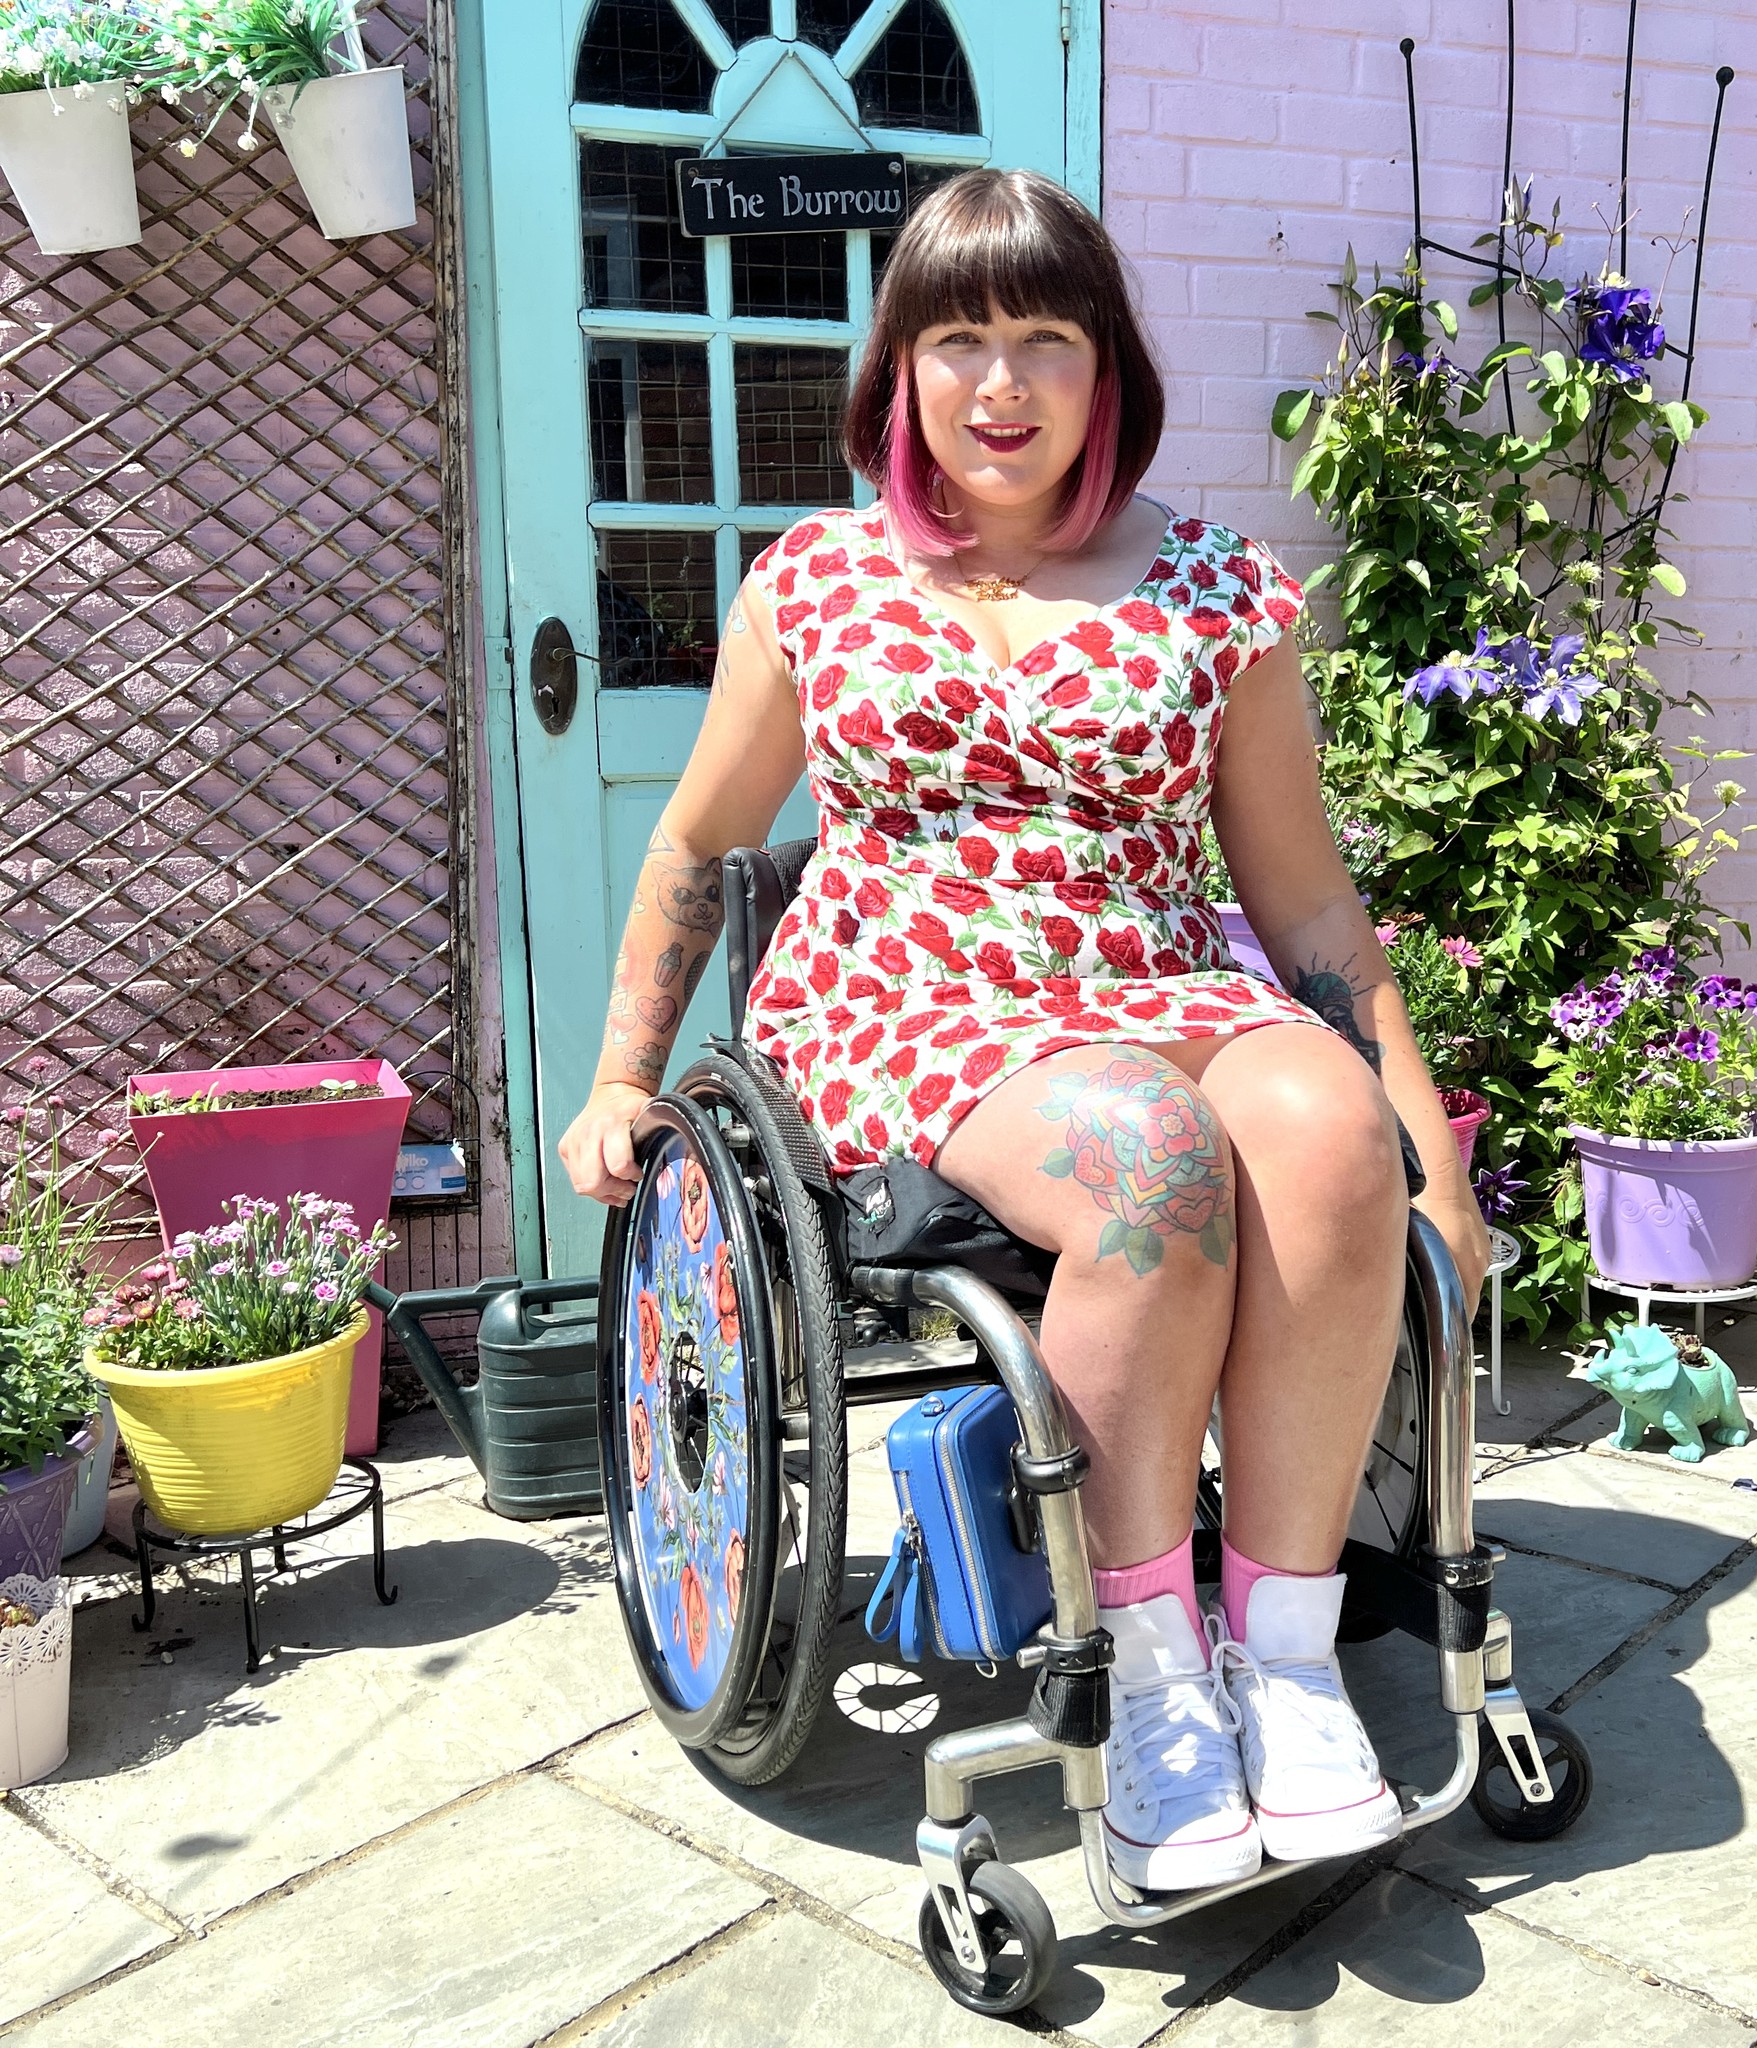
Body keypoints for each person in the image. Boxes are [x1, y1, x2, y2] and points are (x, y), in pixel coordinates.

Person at [560, 169, 1491, 1891]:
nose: (1003, 384)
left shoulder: (1216, 591)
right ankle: (1148, 1675)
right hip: (905, 1004)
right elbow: (696, 843)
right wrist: (623, 1074)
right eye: (960, 339)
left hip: (1157, 974)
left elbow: (1306, 918)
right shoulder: (820, 583)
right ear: (900, 370)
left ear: (1105, 366)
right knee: (1146, 1154)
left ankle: (1281, 1665)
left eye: (1045, 340)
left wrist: (1434, 1156)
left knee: (1330, 1134)